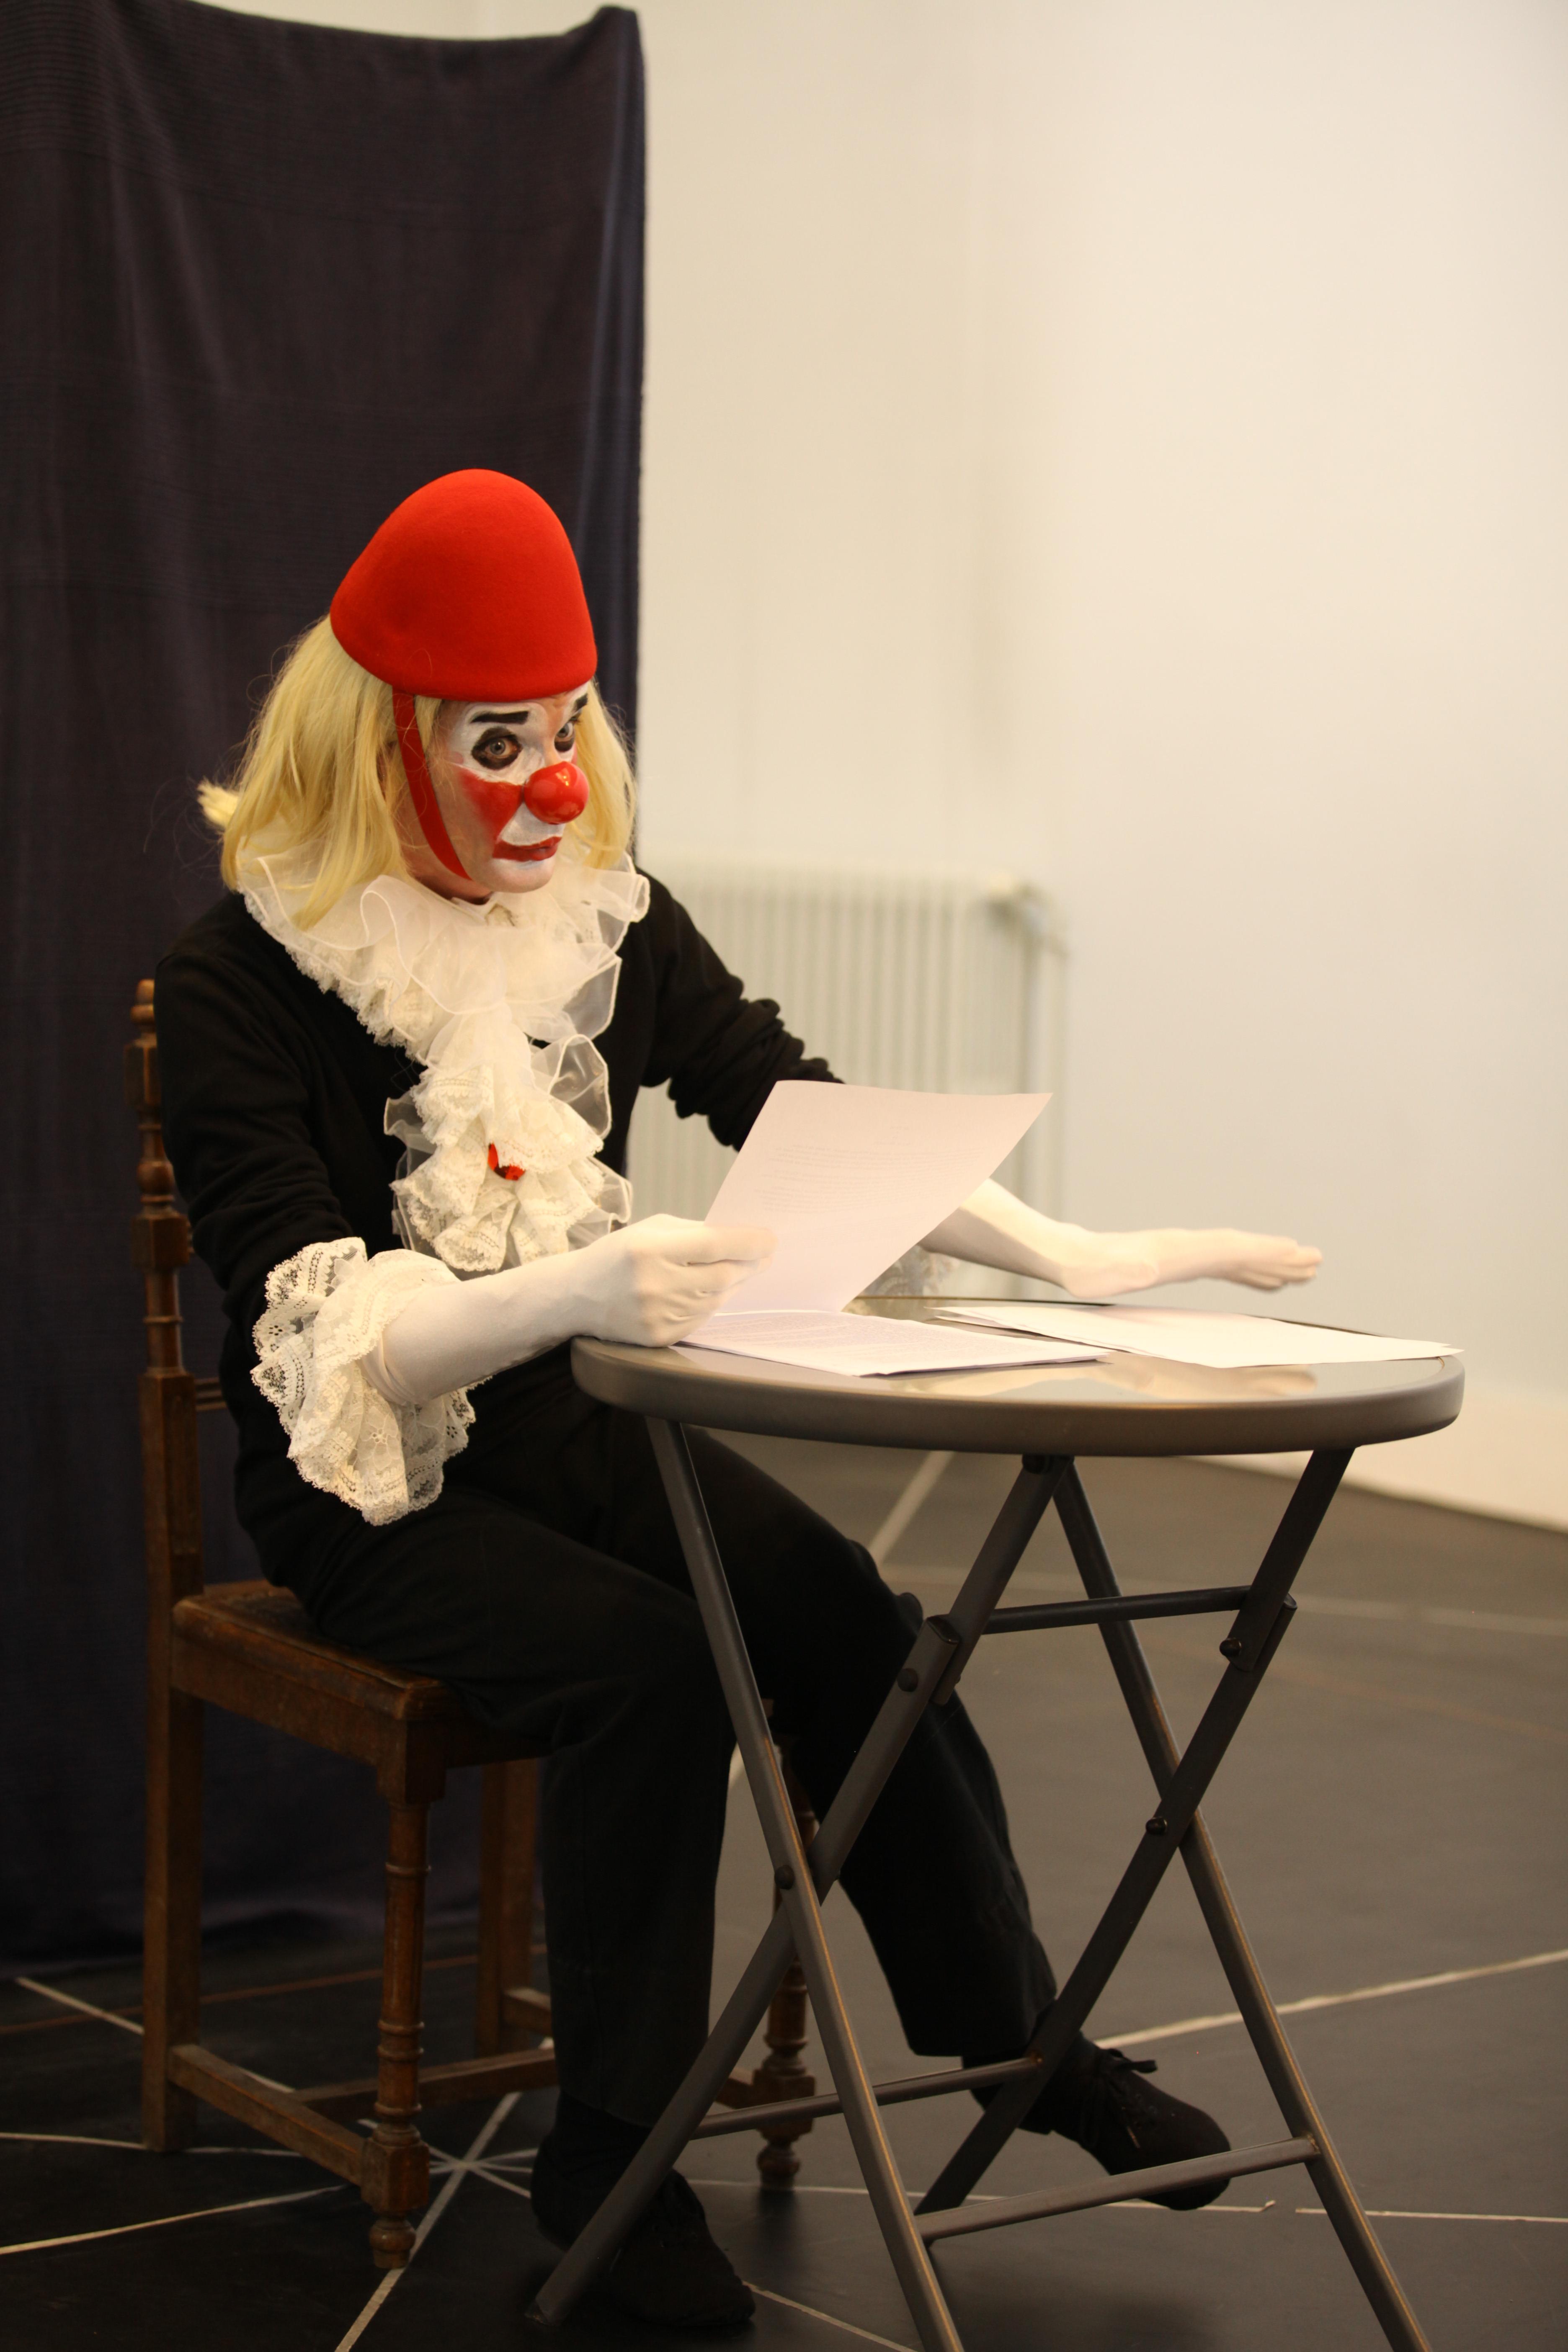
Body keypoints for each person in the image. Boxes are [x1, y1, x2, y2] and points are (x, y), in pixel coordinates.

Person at [157, 470, 1322, 2332]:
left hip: (581, 1428)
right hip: (377, 1488)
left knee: (854, 1623)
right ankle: (613, 2161)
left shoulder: (597, 924)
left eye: (562, 732)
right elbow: (319, 1334)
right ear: (383, 743)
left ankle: (1017, 2045)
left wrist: (1074, 1253)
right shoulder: (239, 979)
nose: (549, 783)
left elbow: (790, 1100)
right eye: (495, 741)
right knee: (652, 1671)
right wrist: (578, 1284)